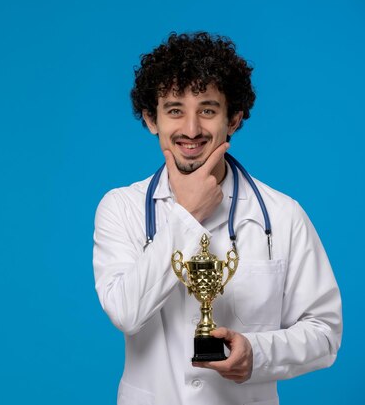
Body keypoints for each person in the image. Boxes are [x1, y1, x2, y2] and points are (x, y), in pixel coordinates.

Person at [92, 32, 342, 405]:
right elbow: (127, 313)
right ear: (150, 119)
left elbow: (325, 333)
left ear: (234, 119)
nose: (191, 130)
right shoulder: (121, 208)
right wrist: (188, 214)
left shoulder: (282, 215)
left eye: (207, 110)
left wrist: (258, 354)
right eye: (174, 110)